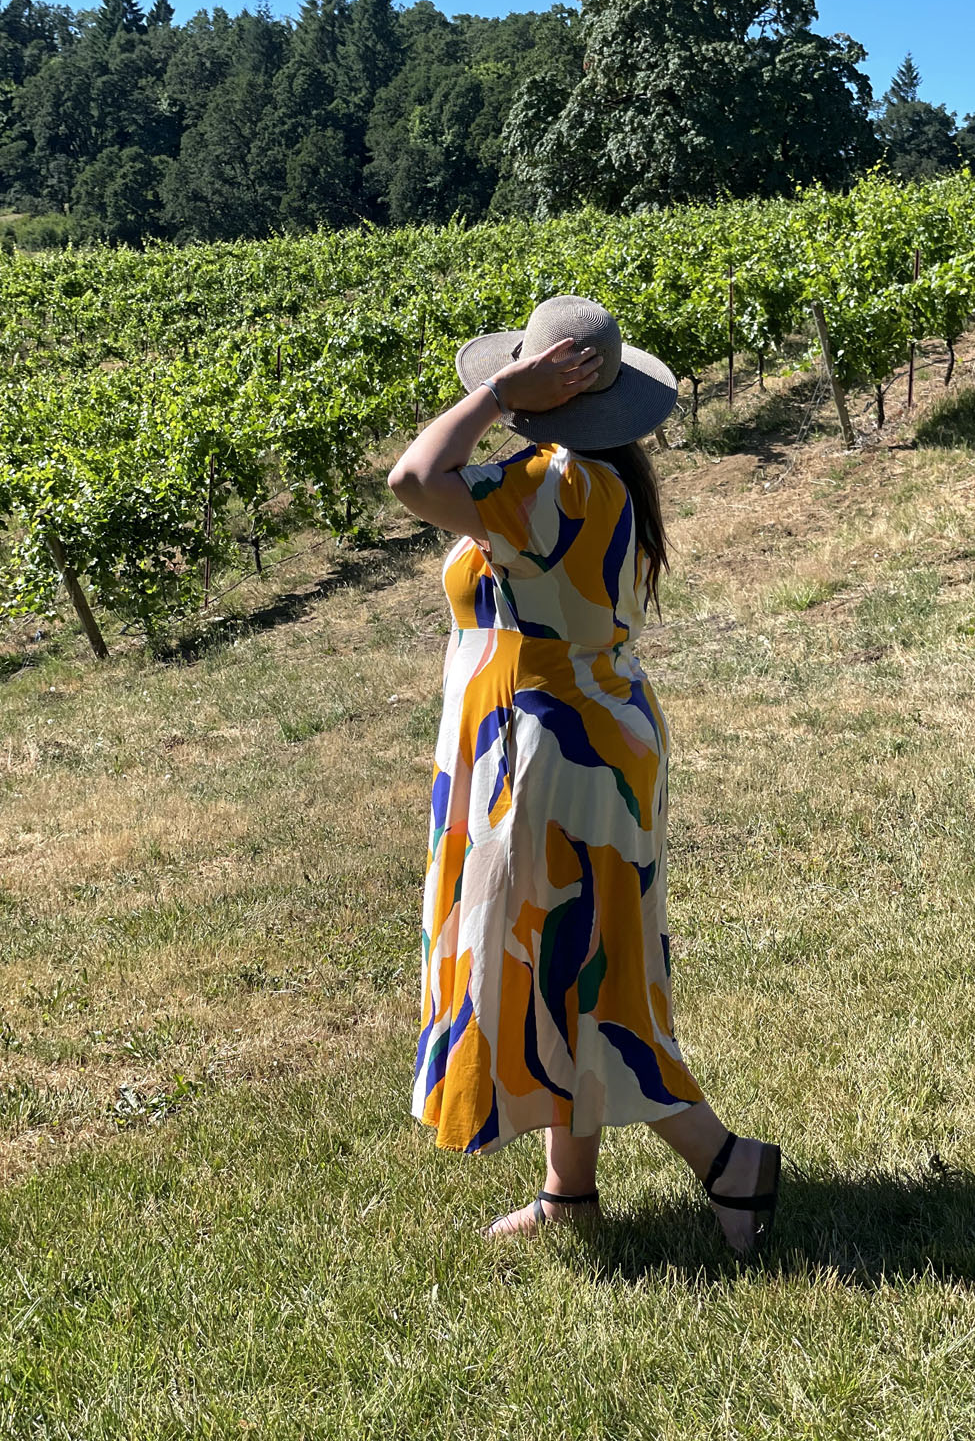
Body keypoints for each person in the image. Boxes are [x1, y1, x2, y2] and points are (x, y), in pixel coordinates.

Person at [388, 295, 781, 1254]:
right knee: (567, 957)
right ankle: (570, 1191)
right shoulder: (600, 474)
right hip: (586, 733)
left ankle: (727, 1159)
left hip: (548, 747)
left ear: (539, 385)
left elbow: (412, 477)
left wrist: (490, 393)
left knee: (572, 965)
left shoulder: (548, 481)